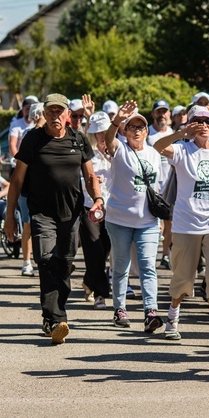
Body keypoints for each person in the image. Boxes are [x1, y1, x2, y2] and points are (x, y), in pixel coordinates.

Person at [5, 93, 105, 344]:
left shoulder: (78, 139)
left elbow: (90, 175)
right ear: (44, 114)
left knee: (64, 265)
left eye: (60, 111)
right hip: (41, 213)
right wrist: (9, 216)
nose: (55, 116)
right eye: (50, 111)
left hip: (71, 215)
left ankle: (53, 316)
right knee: (46, 260)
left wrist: (98, 199)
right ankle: (56, 318)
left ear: (68, 115)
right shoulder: (33, 140)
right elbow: (16, 181)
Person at [153, 108, 209, 347]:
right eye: (198, 121)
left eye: (208, 121)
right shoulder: (182, 150)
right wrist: (182, 132)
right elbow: (157, 146)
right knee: (183, 275)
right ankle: (172, 318)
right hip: (186, 223)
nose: (203, 125)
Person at [104, 103, 163, 330]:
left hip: (147, 220)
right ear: (124, 131)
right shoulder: (119, 149)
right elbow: (109, 138)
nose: (137, 130)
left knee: (148, 266)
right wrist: (117, 120)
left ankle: (150, 311)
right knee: (121, 267)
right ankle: (120, 310)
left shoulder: (154, 154)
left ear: (147, 131)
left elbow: (158, 186)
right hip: (119, 219)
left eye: (141, 127)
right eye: (132, 127)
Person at [79, 110, 112, 310]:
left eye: (104, 131)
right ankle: (100, 293)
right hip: (88, 204)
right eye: (97, 131)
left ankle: (89, 281)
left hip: (112, 206)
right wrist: (90, 181)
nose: (101, 134)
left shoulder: (117, 150)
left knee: (105, 248)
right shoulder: (86, 151)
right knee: (93, 247)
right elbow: (77, 176)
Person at [10, 101, 39, 277]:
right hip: (28, 187)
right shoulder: (29, 134)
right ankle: (27, 261)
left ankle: (40, 260)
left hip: (44, 189)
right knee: (28, 224)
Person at [148, 100, 174, 269]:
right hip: (152, 186)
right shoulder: (147, 134)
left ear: (169, 114)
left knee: (169, 223)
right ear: (153, 114)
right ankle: (149, 256)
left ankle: (165, 254)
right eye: (159, 112)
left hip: (170, 185)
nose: (162, 115)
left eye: (164, 112)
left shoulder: (174, 134)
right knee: (152, 224)